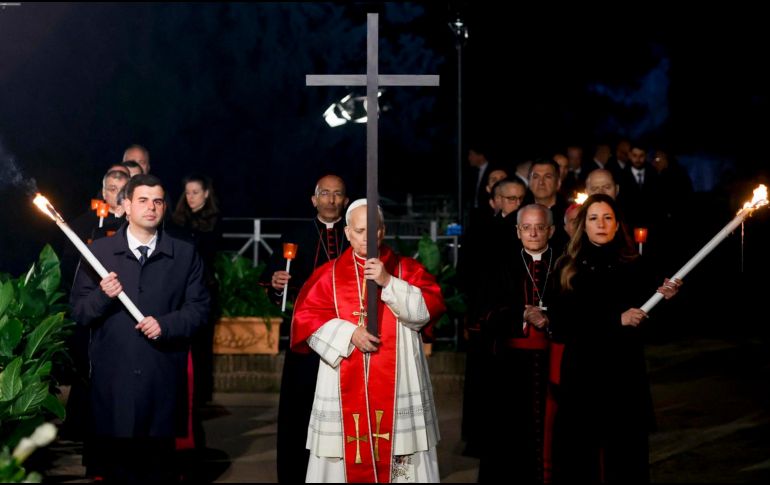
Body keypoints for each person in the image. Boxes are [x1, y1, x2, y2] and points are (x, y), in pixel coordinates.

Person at [291, 199, 446, 483]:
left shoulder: (406, 270)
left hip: (399, 381)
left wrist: (389, 282)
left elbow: (426, 312)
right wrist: (348, 333)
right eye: (359, 230)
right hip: (343, 380)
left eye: (372, 230)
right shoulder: (328, 276)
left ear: (382, 231)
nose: (366, 237)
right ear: (347, 233)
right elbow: (306, 321)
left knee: (402, 454)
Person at [70, 174, 210, 483]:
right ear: (126, 206)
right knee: (117, 472)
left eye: (158, 201)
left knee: (158, 473)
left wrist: (166, 325)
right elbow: (79, 312)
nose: (151, 207)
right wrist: (102, 295)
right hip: (114, 385)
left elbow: (200, 310)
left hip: (162, 383)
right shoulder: (100, 253)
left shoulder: (184, 254)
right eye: (143, 200)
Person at [549, 194, 680, 483]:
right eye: (594, 218)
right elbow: (560, 324)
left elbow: (654, 328)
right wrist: (614, 320)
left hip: (624, 373)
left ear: (617, 224)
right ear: (583, 224)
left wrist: (665, 300)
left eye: (607, 218)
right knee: (579, 456)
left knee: (627, 456)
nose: (601, 224)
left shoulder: (635, 265)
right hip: (584, 373)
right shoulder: (567, 267)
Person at [271, 174, 349, 484]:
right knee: (299, 406)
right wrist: (277, 284)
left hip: (346, 335)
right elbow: (273, 280)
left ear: (345, 199)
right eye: (325, 194)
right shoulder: (296, 234)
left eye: (337, 194)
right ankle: (296, 473)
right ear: (314, 199)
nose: (331, 200)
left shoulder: (355, 233)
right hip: (308, 338)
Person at [477, 204, 557, 483]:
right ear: (517, 231)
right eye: (526, 227)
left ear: (551, 230)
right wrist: (520, 314)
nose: (533, 233)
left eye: (540, 227)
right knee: (512, 436)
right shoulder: (501, 267)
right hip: (510, 368)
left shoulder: (564, 265)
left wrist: (551, 320)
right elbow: (484, 314)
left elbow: (579, 311)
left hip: (555, 365)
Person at [170, 174, 222, 453]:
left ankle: (200, 395)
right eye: (187, 192)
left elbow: (208, 252)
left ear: (205, 194)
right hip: (181, 289)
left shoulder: (213, 221)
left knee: (202, 343)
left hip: (204, 287)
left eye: (195, 192)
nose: (190, 197)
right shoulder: (177, 220)